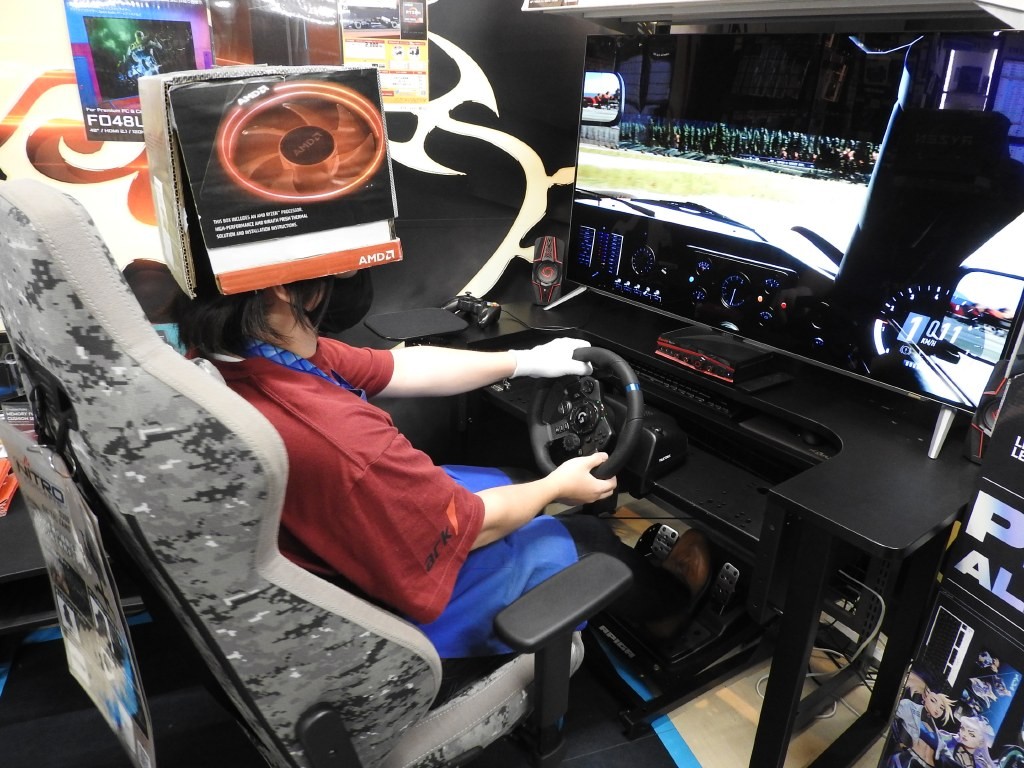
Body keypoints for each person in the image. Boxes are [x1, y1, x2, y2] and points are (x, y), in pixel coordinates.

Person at [173, 268, 710, 702]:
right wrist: (555, 488)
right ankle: (669, 610)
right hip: (384, 621)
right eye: (336, 273)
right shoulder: (340, 439)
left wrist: (525, 361)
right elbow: (471, 525)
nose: (342, 284)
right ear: (280, 289)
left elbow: (397, 367)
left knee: (514, 483)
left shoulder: (249, 355)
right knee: (591, 540)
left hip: (323, 553)